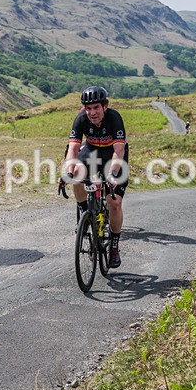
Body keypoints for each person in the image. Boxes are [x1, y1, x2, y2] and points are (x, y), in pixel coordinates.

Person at [63, 86, 128, 268]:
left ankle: (114, 246)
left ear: (105, 107)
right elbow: (73, 148)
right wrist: (67, 172)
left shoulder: (114, 118)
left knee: (114, 203)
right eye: (88, 108)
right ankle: (84, 212)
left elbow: (119, 150)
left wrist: (113, 174)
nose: (92, 112)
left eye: (96, 108)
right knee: (76, 173)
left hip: (113, 156)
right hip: (91, 150)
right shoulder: (81, 118)